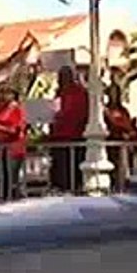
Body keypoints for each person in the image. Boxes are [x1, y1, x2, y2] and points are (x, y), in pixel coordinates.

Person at [49, 66, 89, 194]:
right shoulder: (60, 93)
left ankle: (72, 187)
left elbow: (75, 113)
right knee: (60, 167)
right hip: (59, 137)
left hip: (73, 136)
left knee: (70, 167)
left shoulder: (78, 93)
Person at [0, 84, 28, 201]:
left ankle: (10, 197)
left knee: (9, 178)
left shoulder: (15, 110)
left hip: (13, 148)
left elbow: (14, 130)